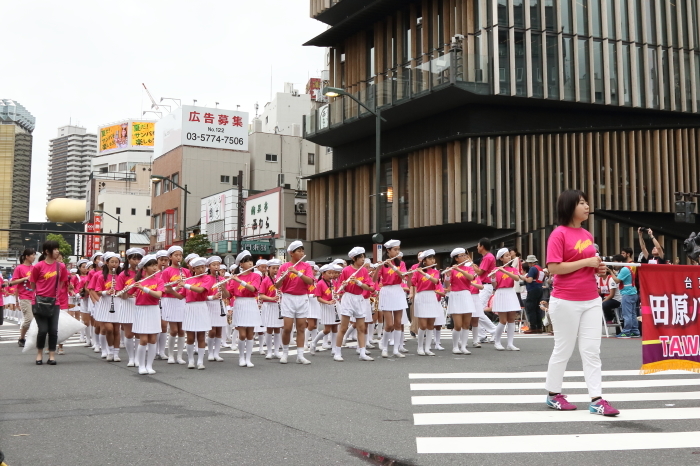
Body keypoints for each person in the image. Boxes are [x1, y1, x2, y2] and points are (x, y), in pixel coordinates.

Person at [544, 189, 620, 416]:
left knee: (591, 350)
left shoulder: (587, 236)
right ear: (569, 207)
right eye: (581, 203)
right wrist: (586, 261)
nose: (587, 206)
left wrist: (599, 269)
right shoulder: (558, 234)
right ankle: (552, 394)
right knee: (563, 349)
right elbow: (553, 268)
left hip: (591, 299)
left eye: (587, 202)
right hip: (565, 300)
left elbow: (587, 266)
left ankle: (597, 399)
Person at [29, 240, 69, 365]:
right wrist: (40, 294)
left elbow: (62, 282)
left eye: (58, 248)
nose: (57, 251)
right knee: (42, 330)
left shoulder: (61, 266)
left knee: (53, 330)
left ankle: (52, 355)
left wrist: (55, 294)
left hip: (54, 302)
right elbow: (32, 283)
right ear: (47, 251)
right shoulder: (38, 266)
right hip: (39, 301)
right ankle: (39, 353)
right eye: (55, 249)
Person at [274, 241, 314, 365]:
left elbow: (310, 282)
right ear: (292, 253)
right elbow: (276, 285)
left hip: (302, 297)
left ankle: (300, 355)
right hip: (288, 298)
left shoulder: (306, 266)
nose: (302, 253)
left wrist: (297, 272)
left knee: (301, 327)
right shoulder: (284, 266)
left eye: (303, 251)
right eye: (299, 251)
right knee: (287, 327)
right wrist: (283, 278)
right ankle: (285, 353)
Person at [335, 247, 375, 362]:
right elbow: (339, 287)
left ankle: (362, 352)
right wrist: (343, 284)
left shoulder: (364, 271)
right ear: (354, 258)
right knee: (343, 327)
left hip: (360, 298)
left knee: (361, 327)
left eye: (364, 257)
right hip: (348, 298)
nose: (363, 259)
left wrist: (358, 282)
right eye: (361, 257)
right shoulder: (346, 270)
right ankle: (337, 352)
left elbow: (369, 287)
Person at [130, 255, 165, 375]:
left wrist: (143, 288)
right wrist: (126, 290)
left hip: (154, 309)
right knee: (143, 339)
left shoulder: (159, 280)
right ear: (145, 268)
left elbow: (159, 294)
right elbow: (127, 294)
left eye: (156, 265)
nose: (155, 268)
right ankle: (141, 365)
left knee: (153, 339)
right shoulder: (138, 281)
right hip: (141, 310)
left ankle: (149, 365)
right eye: (152, 265)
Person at [373, 239, 408, 358]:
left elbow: (403, 276)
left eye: (398, 249)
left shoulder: (400, 263)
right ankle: (384, 347)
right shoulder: (383, 263)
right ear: (388, 251)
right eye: (395, 250)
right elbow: (374, 280)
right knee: (389, 324)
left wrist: (392, 265)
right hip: (387, 291)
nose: (398, 252)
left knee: (398, 323)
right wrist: (378, 267)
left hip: (398, 290)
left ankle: (396, 349)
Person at [227, 251, 262, 368]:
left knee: (250, 334)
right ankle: (241, 357)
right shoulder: (235, 278)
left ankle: (248, 358)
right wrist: (222, 287)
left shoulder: (256, 276)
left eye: (251, 260)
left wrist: (239, 281)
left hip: (251, 303)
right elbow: (229, 294)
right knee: (242, 334)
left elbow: (253, 289)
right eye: (247, 261)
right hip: (240, 304)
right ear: (241, 264)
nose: (250, 263)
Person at [181, 257, 214, 369]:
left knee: (201, 337)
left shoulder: (208, 278)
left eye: (203, 267)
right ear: (193, 269)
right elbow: (181, 296)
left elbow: (200, 290)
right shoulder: (189, 280)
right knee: (190, 337)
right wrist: (170, 289)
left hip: (201, 307)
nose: (201, 270)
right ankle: (190, 360)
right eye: (198, 268)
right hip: (190, 308)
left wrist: (184, 285)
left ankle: (200, 361)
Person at [445, 248, 477, 354]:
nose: (465, 257)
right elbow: (446, 285)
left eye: (465, 255)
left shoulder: (469, 268)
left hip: (466, 295)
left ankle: (463, 346)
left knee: (466, 324)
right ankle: (455, 346)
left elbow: (471, 277)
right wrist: (448, 276)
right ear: (456, 258)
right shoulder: (451, 269)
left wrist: (460, 270)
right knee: (457, 324)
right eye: (462, 256)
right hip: (455, 295)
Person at [161, 246, 189, 365]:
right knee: (173, 330)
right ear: (170, 257)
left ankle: (179, 356)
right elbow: (163, 289)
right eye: (176, 255)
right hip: (170, 300)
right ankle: (171, 355)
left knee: (182, 330)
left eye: (180, 255)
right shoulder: (166, 271)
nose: (178, 257)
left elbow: (189, 286)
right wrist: (175, 288)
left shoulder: (186, 271)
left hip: (182, 300)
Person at [117, 248, 145, 366]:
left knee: (139, 333)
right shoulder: (123, 274)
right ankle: (131, 358)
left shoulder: (144, 274)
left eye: (139, 258)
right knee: (128, 334)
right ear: (128, 259)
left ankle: (138, 358)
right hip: (127, 304)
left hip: (140, 304)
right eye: (134, 259)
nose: (137, 261)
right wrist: (127, 293)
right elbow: (119, 294)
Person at [412, 249, 442, 356]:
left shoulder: (435, 272)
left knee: (431, 324)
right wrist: (416, 272)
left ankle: (428, 348)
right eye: (430, 258)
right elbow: (412, 282)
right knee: (423, 325)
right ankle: (420, 347)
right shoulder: (418, 271)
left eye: (433, 258)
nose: (432, 260)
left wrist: (424, 274)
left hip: (431, 296)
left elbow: (435, 281)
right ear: (424, 261)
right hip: (421, 297)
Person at [491, 248, 521, 351]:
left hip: (510, 292)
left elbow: (517, 278)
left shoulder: (513, 269)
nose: (509, 257)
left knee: (511, 319)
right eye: (506, 255)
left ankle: (510, 343)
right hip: (501, 293)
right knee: (503, 320)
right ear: (501, 258)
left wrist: (504, 271)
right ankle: (497, 341)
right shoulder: (496, 269)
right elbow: (495, 285)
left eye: (509, 255)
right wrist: (493, 277)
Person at [471, 238, 499, 343]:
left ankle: (494, 330)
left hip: (486, 285)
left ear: (482, 246)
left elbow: (479, 272)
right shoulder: (487, 257)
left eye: (478, 245)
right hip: (484, 285)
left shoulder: (488, 257)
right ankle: (482, 335)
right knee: (477, 310)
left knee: (478, 311)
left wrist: (472, 265)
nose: (477, 247)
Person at [609, 254, 640, 338]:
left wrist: (611, 272)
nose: (614, 265)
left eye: (615, 263)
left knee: (627, 314)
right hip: (632, 293)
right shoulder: (627, 268)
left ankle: (626, 332)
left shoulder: (624, 269)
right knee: (632, 314)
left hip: (627, 294)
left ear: (620, 262)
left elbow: (617, 280)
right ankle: (635, 331)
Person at [10, 248, 36, 347]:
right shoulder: (19, 268)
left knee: (35, 319)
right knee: (29, 318)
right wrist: (25, 278)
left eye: (34, 255)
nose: (34, 257)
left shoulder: (34, 268)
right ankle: (22, 337)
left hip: (35, 296)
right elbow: (13, 282)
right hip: (24, 296)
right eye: (32, 255)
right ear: (27, 256)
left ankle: (31, 338)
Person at [206, 256, 229, 362]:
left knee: (219, 331)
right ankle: (210, 352)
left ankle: (217, 353)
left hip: (220, 305)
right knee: (212, 331)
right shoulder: (206, 279)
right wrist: (213, 297)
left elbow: (227, 295)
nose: (216, 267)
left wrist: (223, 288)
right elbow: (202, 295)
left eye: (218, 265)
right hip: (210, 305)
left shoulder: (222, 279)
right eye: (214, 265)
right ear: (209, 266)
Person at [259, 259, 283, 359]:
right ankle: (269, 351)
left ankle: (276, 351)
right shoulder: (265, 280)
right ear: (268, 269)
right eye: (273, 268)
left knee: (277, 329)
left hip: (278, 306)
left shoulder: (281, 280)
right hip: (268, 306)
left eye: (277, 268)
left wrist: (281, 295)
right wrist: (272, 298)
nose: (275, 270)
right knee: (269, 329)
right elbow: (261, 295)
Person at [522, 255, 545, 334]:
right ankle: (539, 327)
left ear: (531, 262)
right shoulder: (540, 268)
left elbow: (529, 280)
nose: (528, 264)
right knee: (537, 309)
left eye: (528, 263)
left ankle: (533, 327)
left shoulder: (533, 268)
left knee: (530, 308)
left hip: (532, 289)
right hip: (539, 289)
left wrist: (523, 278)